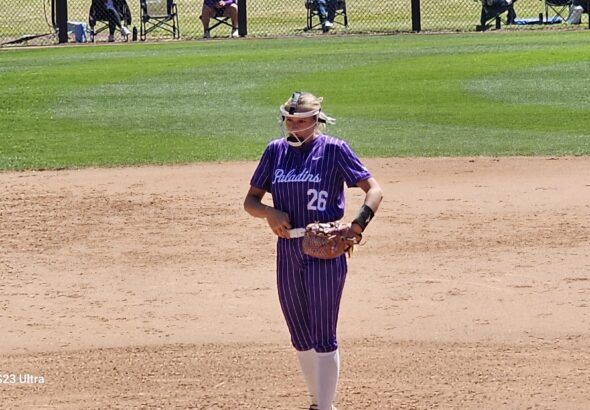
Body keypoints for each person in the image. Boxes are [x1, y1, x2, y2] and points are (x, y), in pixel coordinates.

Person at [243, 92, 383, 410]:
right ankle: (318, 401)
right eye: (289, 119)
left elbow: (374, 189)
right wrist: (269, 213)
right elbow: (250, 201)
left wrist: (356, 227)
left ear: (316, 121)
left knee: (323, 332)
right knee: (299, 332)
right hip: (287, 248)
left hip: (326, 251)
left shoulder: (334, 150)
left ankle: (324, 407)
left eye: (301, 121)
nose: (293, 125)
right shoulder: (274, 152)